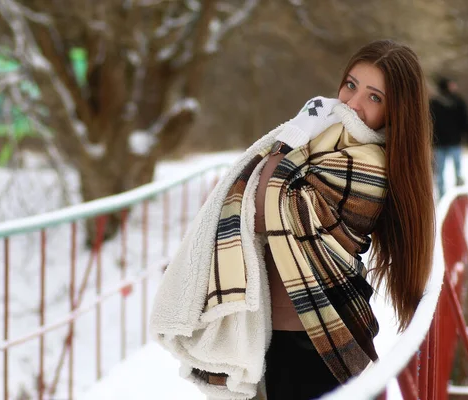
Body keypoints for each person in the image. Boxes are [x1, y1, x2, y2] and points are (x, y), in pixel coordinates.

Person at [150, 39, 435, 400]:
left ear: (396, 111)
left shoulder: (367, 166)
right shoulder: (327, 144)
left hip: (313, 333)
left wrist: (292, 136)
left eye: (374, 97)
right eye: (350, 85)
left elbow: (261, 209)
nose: (353, 104)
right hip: (286, 327)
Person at [430, 76, 468, 198]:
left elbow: (465, 120)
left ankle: (448, 194)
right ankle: (448, 194)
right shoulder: (455, 102)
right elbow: (466, 121)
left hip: (443, 142)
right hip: (447, 142)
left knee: (444, 171)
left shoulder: (435, 103)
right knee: (450, 170)